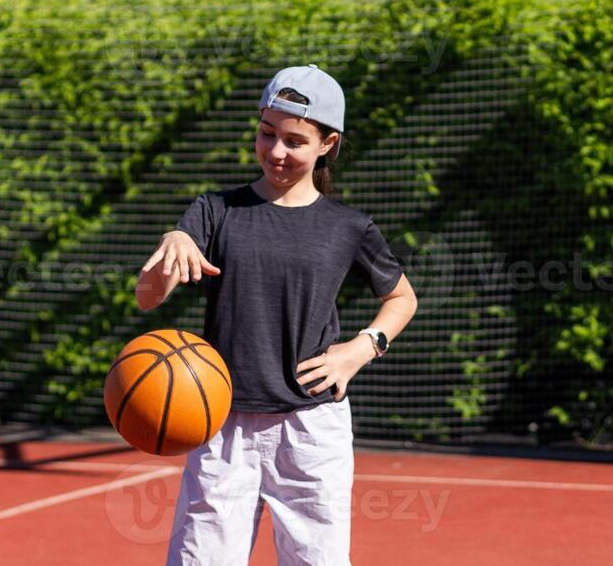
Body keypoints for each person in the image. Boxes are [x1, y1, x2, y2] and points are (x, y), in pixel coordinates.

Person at [135, 64, 418, 566]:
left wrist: (361, 348)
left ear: (327, 143)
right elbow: (147, 298)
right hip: (220, 423)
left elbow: (402, 299)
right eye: (267, 134)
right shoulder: (214, 211)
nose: (277, 152)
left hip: (312, 428)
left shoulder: (348, 226)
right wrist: (171, 243)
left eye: (294, 140)